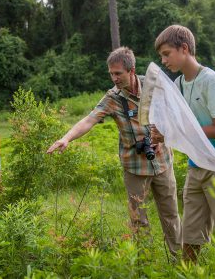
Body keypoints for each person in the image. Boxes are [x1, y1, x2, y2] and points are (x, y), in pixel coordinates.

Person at [47, 47, 183, 257]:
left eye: (118, 73)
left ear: (131, 70)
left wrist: (163, 135)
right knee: (139, 220)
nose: (114, 78)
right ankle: (145, 265)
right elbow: (89, 119)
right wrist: (66, 138)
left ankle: (179, 262)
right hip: (135, 167)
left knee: (171, 215)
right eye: (111, 73)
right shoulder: (113, 97)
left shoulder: (154, 85)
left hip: (163, 160)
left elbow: (175, 112)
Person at [153, 25, 215, 277]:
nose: (163, 61)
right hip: (196, 166)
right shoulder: (178, 84)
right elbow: (180, 124)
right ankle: (188, 274)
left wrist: (176, 134)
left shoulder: (210, 80)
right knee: (191, 232)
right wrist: (164, 131)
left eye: (166, 54)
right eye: (161, 56)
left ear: (184, 49)